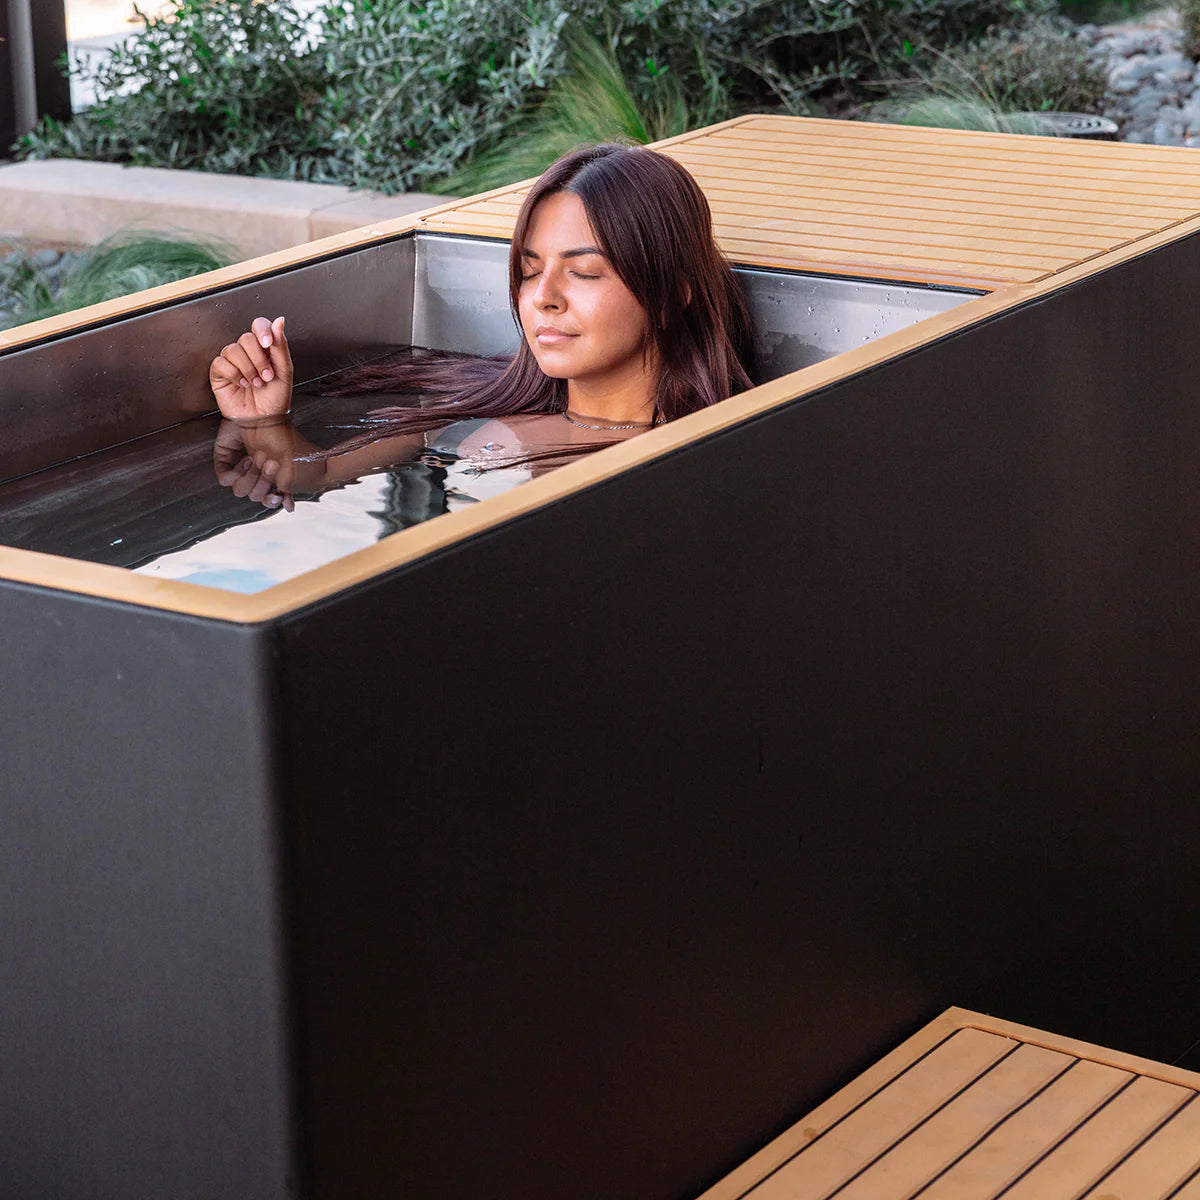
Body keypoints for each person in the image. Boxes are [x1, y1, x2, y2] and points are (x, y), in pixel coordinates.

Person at [209, 142, 755, 512]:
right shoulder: (466, 421)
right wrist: (263, 424)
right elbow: (316, 476)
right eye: (530, 270)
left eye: (585, 272)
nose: (543, 298)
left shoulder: (697, 464)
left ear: (669, 296)